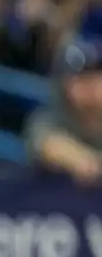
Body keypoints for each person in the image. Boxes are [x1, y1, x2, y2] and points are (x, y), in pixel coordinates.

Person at [25, 36, 102, 185]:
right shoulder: (51, 117)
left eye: (96, 75)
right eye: (83, 78)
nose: (93, 85)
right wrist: (82, 160)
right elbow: (47, 143)